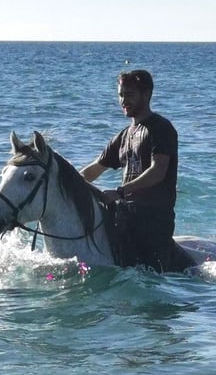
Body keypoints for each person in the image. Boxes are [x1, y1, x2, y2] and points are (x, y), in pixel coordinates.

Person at [80, 69, 193, 272]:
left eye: (129, 95)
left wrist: (120, 192)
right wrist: (69, 181)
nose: (123, 101)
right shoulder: (123, 136)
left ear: (147, 94)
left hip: (154, 220)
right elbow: (95, 169)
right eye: (121, 95)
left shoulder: (161, 128)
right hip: (125, 217)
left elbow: (158, 171)